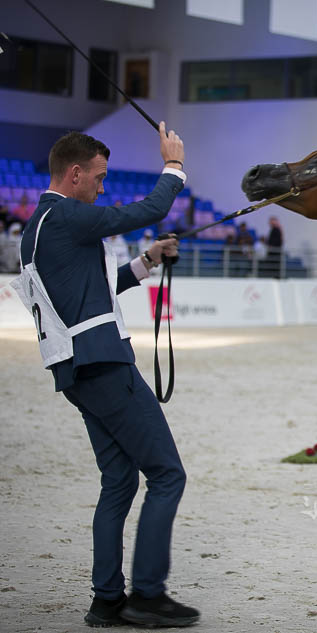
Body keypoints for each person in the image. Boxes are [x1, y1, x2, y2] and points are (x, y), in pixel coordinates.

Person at [12, 126, 199, 628]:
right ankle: (148, 595)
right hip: (103, 363)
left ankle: (108, 599)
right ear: (74, 174)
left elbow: (95, 283)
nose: (102, 187)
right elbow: (144, 210)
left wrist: (147, 261)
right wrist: (173, 167)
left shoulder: (40, 226)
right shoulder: (66, 215)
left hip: (77, 368)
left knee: (118, 480)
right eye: (98, 177)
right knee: (167, 474)